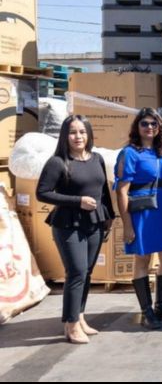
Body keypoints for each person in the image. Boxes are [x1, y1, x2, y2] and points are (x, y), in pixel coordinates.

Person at [36, 115, 115, 344]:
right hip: (68, 224)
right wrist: (77, 201)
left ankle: (79, 317)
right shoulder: (58, 162)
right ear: (65, 135)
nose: (78, 136)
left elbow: (103, 192)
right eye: (73, 132)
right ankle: (70, 326)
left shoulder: (97, 158)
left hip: (94, 222)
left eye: (82, 131)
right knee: (77, 272)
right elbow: (43, 193)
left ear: (89, 134)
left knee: (87, 272)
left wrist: (109, 215)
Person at [115, 107, 162, 330]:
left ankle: (161, 304)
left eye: (154, 123)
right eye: (145, 123)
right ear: (137, 127)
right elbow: (121, 190)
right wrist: (127, 224)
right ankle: (147, 310)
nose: (150, 127)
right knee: (143, 259)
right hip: (141, 211)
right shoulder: (130, 153)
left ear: (160, 127)